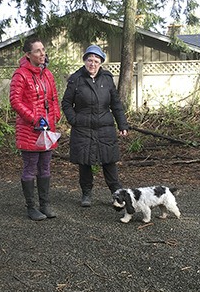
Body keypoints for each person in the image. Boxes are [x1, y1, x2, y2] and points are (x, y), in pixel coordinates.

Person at [62, 44, 129, 207]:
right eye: (90, 60)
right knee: (84, 162)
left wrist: (122, 124)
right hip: (82, 127)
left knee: (109, 160)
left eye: (96, 61)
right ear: (85, 61)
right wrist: (74, 120)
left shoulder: (107, 78)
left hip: (105, 127)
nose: (92, 64)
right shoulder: (76, 79)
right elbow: (66, 103)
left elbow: (116, 103)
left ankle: (117, 193)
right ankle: (86, 193)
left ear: (101, 63)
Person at [9, 36, 61, 221]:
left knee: (45, 167)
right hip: (29, 131)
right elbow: (15, 101)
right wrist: (34, 119)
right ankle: (31, 207)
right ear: (28, 54)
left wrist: (55, 115)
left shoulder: (47, 74)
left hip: (47, 130)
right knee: (31, 168)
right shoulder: (20, 74)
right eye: (37, 50)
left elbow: (53, 97)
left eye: (43, 49)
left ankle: (44, 205)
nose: (42, 53)